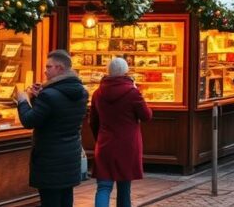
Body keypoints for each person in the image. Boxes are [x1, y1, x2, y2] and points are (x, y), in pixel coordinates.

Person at [18, 50, 89, 207]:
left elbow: (29, 121)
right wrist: (37, 98)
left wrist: (22, 101)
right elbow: (54, 115)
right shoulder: (82, 92)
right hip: (70, 157)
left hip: (50, 159)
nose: (45, 71)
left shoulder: (49, 95)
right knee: (66, 199)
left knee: (50, 201)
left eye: (49, 67)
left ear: (60, 68)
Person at [89, 57, 153, 207]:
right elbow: (146, 116)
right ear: (126, 72)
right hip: (127, 145)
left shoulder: (98, 93)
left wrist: (99, 138)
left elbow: (93, 121)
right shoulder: (132, 92)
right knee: (124, 188)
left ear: (108, 71)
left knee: (103, 187)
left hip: (105, 144)